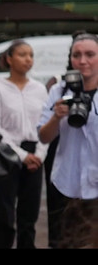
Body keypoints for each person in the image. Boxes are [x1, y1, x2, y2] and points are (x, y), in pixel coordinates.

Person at [0, 39, 48, 249]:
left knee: (29, 215)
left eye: (31, 55)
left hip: (36, 153)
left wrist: (38, 155)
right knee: (5, 213)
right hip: (6, 153)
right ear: (9, 59)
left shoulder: (39, 88)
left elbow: (45, 125)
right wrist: (21, 155)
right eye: (22, 54)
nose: (28, 59)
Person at [38, 32, 98, 249]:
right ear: (70, 58)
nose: (82, 61)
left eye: (90, 54)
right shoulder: (59, 90)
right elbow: (43, 136)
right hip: (66, 184)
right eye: (77, 55)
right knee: (63, 243)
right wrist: (56, 116)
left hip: (96, 185)